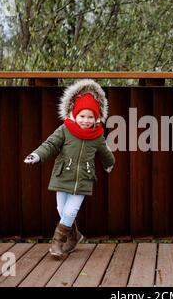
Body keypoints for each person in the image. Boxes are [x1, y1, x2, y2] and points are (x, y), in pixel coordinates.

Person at [24, 79, 115, 258]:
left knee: (70, 211)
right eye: (82, 116)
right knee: (61, 209)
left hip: (83, 178)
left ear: (96, 117)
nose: (86, 121)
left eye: (90, 117)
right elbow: (50, 145)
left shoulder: (97, 136)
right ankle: (74, 236)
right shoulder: (65, 129)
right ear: (74, 114)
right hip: (63, 175)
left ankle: (57, 243)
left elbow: (105, 153)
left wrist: (109, 163)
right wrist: (37, 155)